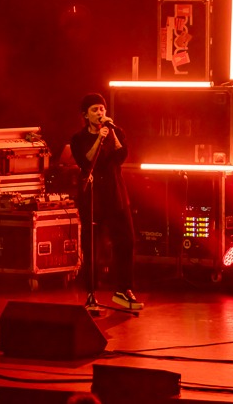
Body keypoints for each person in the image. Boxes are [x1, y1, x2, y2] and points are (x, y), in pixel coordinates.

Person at [70, 93, 142, 310]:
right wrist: (99, 140)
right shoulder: (78, 139)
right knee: (92, 246)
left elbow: (122, 156)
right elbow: (86, 161)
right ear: (85, 115)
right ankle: (91, 293)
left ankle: (123, 289)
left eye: (102, 109)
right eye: (95, 110)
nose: (100, 113)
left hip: (116, 193)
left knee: (126, 240)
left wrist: (112, 134)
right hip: (94, 196)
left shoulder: (116, 132)